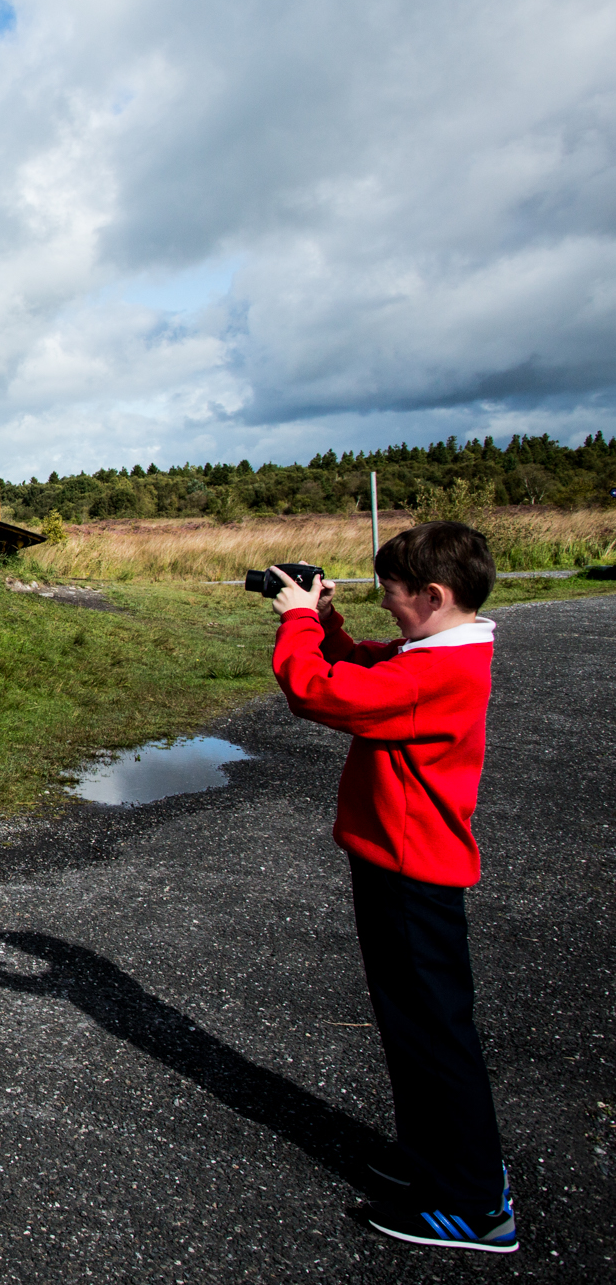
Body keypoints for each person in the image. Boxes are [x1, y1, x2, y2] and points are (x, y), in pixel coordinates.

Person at [268, 522, 513, 1253]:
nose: (388, 609)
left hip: (411, 874)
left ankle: (473, 1204)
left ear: (434, 596)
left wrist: (299, 624)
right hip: (401, 863)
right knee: (414, 1024)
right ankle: (437, 1159)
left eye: (393, 597)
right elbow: (360, 666)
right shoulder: (434, 651)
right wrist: (324, 618)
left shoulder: (437, 671)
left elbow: (318, 691)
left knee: (432, 1033)